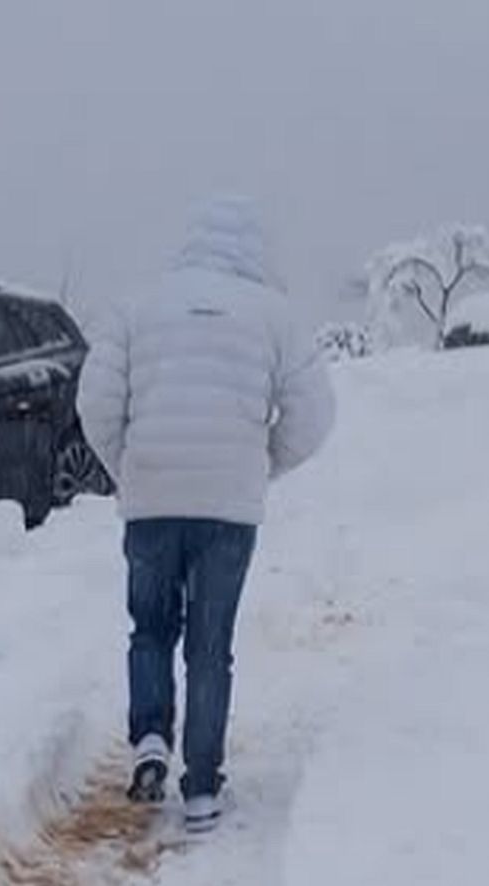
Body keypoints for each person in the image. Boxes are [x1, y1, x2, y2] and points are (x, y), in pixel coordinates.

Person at [76, 196, 336, 833]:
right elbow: (315, 413)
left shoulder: (138, 307)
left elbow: (96, 402)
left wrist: (129, 467)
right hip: (228, 511)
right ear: (253, 253)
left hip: (152, 498)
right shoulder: (273, 316)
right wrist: (260, 463)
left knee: (150, 627)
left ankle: (149, 739)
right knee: (210, 646)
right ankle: (201, 788)